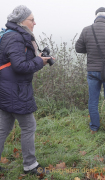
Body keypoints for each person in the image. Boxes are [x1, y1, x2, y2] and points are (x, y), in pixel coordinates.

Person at [0, 5, 51, 175]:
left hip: (8, 89)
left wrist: (39, 58)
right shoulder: (15, 37)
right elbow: (19, 66)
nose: (34, 23)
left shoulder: (11, 35)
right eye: (31, 19)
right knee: (29, 126)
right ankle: (30, 166)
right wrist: (40, 62)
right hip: (16, 91)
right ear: (21, 21)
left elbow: (18, 61)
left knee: (3, 128)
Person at [75, 7, 105, 133]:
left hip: (92, 71)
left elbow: (79, 48)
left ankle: (94, 128)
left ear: (96, 16)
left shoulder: (86, 30)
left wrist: (91, 50)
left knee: (93, 100)